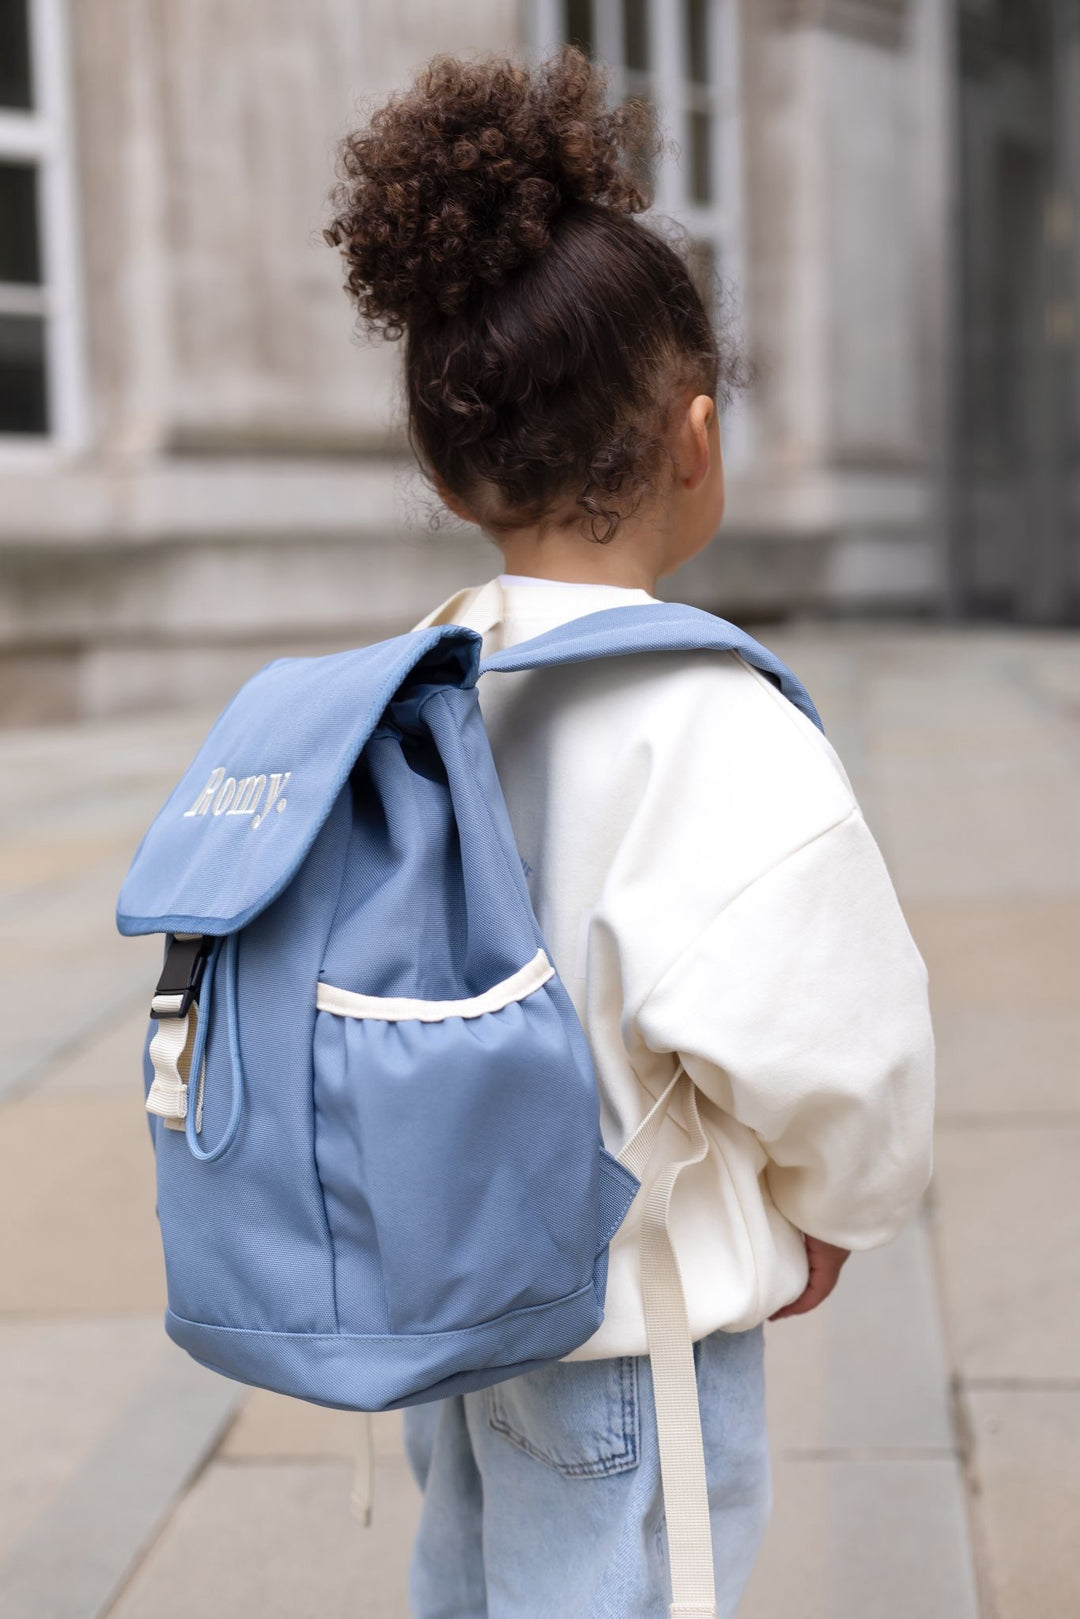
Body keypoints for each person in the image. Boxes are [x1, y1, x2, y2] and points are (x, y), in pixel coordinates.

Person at [324, 46, 935, 1619]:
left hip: (461, 1307)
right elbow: (834, 1036)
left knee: (468, 1581)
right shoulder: (713, 723)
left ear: (451, 475)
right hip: (626, 1319)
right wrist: (838, 1211)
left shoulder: (423, 688)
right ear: (695, 433)